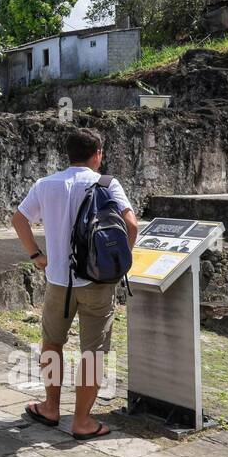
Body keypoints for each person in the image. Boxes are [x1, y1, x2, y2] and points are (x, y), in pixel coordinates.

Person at [10, 128, 138, 440]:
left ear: (68, 155)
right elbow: (131, 224)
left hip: (58, 282)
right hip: (96, 282)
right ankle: (82, 421)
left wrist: (36, 255)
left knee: (52, 344)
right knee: (92, 353)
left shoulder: (46, 184)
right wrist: (116, 262)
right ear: (97, 155)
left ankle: (51, 408)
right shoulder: (107, 183)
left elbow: (19, 219)